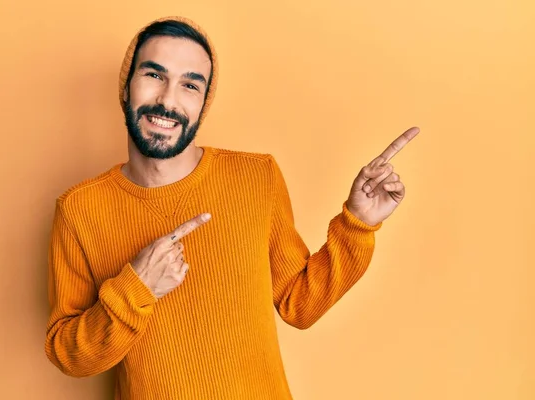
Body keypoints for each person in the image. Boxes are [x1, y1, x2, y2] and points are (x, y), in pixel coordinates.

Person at [44, 15, 420, 400]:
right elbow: (70, 356)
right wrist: (136, 287)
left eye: (190, 85)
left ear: (203, 104)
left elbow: (300, 306)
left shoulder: (257, 177)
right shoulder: (79, 209)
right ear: (125, 88)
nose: (168, 100)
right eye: (154, 75)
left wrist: (357, 224)